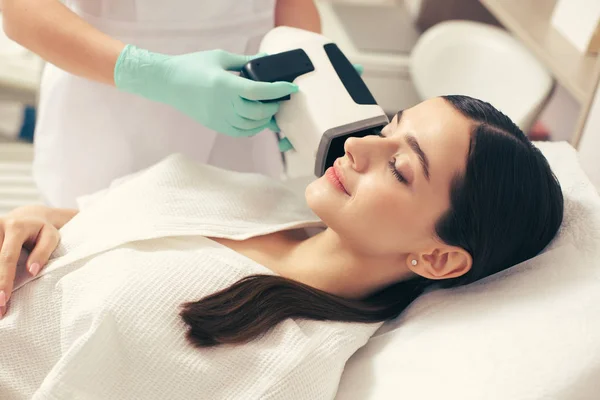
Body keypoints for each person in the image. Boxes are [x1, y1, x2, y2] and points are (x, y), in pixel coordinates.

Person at [0, 96, 563, 399]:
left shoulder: (285, 368)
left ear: (438, 257)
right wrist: (39, 219)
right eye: (389, 124)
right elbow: (105, 220)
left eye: (398, 166)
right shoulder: (269, 200)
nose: (361, 145)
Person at [1, 0, 322, 208]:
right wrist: (153, 74)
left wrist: (304, 64)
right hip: (107, 102)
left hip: (245, 117)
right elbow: (20, 10)